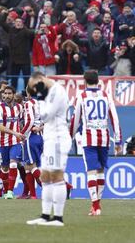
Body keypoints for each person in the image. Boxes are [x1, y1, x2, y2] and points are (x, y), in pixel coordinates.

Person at [70, 70, 122, 216]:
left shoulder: (81, 96)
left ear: (85, 81)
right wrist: (118, 140)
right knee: (100, 171)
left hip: (88, 139)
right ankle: (97, 205)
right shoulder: (106, 95)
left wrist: (70, 136)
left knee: (91, 171)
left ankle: (95, 206)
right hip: (104, 139)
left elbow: (75, 120)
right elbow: (114, 119)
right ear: (98, 81)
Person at [26, 71, 72, 227]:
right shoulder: (49, 93)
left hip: (58, 139)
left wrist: (40, 98)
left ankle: (58, 218)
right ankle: (45, 215)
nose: (35, 92)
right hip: (50, 139)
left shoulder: (56, 91)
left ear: (40, 81)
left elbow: (45, 116)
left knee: (57, 176)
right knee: (45, 177)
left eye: (35, 87)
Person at [0, 86, 25, 199]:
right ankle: (1, 191)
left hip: (15, 141)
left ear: (13, 95)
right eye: (5, 94)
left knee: (13, 163)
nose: (6, 96)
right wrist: (15, 132)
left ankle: (10, 192)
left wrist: (21, 134)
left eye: (9, 93)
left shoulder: (19, 107)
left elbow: (22, 122)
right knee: (4, 168)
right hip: (2, 142)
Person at [21, 87, 43, 199]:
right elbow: (45, 120)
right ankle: (33, 195)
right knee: (27, 167)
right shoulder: (39, 103)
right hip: (39, 137)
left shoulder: (28, 104)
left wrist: (22, 134)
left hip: (31, 137)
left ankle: (51, 189)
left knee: (31, 166)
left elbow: (29, 121)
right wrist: (40, 127)